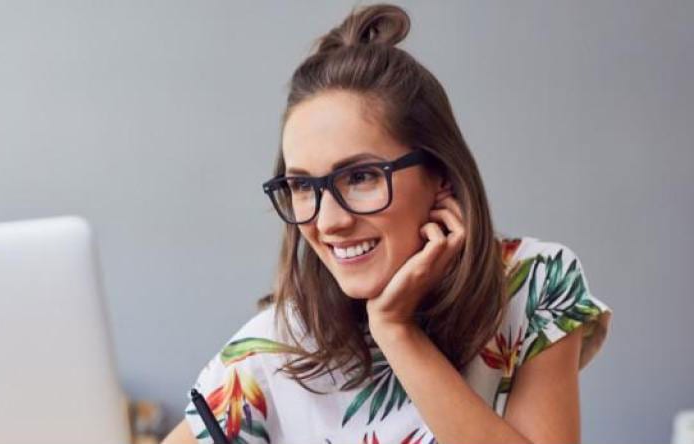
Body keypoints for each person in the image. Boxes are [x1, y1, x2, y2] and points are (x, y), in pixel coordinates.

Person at [162, 4, 612, 443]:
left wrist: (397, 333)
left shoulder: (533, 284)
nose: (330, 221)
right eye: (303, 186)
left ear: (441, 175)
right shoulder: (273, 350)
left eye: (360, 177)